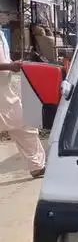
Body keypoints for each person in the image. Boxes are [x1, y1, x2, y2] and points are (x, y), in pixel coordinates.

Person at [0, 29, 46, 179]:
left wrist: (12, 64)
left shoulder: (1, 33)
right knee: (24, 124)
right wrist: (9, 66)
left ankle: (37, 166)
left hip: (4, 91)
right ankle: (37, 165)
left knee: (25, 125)